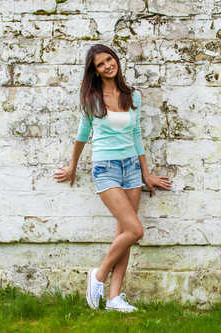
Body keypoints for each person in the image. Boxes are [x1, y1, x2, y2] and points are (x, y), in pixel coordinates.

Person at [54, 44, 172, 312]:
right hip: (105, 167)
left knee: (125, 234)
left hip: (131, 167)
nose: (108, 65)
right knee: (135, 230)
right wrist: (73, 166)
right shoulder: (92, 99)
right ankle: (98, 275)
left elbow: (136, 135)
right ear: (95, 72)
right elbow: (83, 134)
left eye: (110, 59)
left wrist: (146, 173)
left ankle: (114, 298)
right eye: (100, 64)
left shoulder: (133, 96)